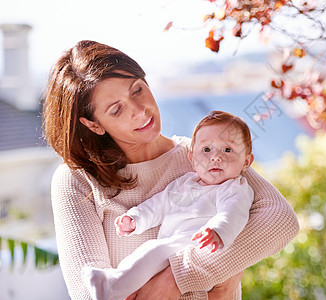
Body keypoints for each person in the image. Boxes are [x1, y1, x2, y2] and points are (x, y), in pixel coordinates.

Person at [43, 40, 299, 300]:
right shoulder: (77, 180)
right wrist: (220, 281)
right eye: (117, 109)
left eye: (137, 90)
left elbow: (280, 221)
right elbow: (89, 295)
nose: (140, 111)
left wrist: (177, 278)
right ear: (94, 125)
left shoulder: (204, 157)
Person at [83, 111, 255, 300]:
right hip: (173, 243)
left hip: (195, 245)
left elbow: (233, 213)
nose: (215, 157)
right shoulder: (187, 183)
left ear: (246, 161)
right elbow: (160, 204)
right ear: (192, 159)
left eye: (227, 150)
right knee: (148, 255)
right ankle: (120, 289)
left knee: (152, 251)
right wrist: (136, 218)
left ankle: (110, 288)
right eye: (206, 150)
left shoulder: (234, 188)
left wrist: (218, 231)